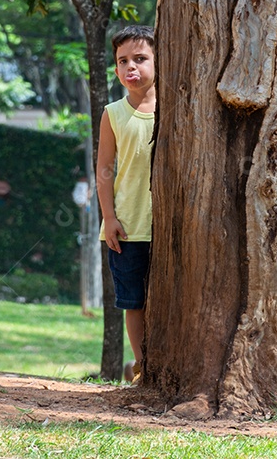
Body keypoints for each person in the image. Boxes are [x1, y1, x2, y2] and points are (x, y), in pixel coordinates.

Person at [96, 25, 155, 383]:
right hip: (128, 227)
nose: (131, 67)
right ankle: (142, 366)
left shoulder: (177, 108)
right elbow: (104, 169)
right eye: (122, 61)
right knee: (134, 302)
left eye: (140, 58)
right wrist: (109, 217)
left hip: (170, 228)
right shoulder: (113, 113)